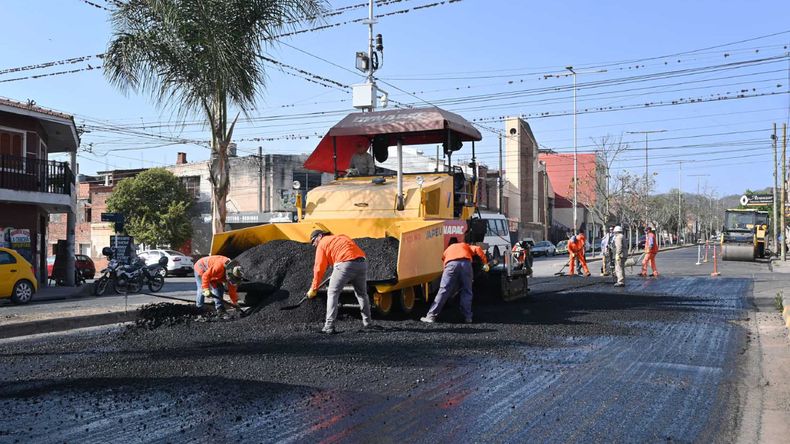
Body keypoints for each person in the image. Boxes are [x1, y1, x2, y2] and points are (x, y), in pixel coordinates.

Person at [307, 229, 375, 334]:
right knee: (362, 294)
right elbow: (346, 252)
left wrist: (314, 287)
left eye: (313, 241)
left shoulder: (322, 243)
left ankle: (329, 326)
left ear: (320, 236)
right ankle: (368, 323)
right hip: (362, 263)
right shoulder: (341, 237)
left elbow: (319, 268)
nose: (313, 244)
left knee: (332, 293)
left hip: (344, 265)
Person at [421, 237, 489, 324]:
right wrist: (485, 263)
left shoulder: (446, 250)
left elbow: (444, 264)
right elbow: (478, 249)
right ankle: (468, 317)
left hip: (450, 264)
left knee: (443, 290)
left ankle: (431, 316)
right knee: (467, 290)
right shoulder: (464, 245)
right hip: (466, 264)